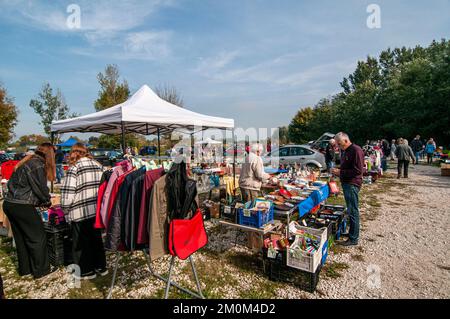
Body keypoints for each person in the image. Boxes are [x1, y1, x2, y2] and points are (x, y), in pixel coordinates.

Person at [2, 143, 55, 279]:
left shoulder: (26, 161)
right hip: (22, 205)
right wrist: (47, 201)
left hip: (10, 203)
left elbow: (11, 184)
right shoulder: (37, 164)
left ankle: (25, 269)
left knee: (21, 239)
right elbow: (40, 188)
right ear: (49, 154)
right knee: (37, 237)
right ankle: (41, 271)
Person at [60, 143, 107, 280]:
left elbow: (68, 194)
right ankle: (101, 266)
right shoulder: (98, 165)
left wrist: (65, 209)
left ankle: (86, 271)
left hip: (79, 211)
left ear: (74, 153)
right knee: (96, 240)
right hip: (96, 210)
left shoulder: (74, 168)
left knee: (81, 244)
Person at [331, 132, 364, 247]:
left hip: (352, 184)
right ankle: (351, 233)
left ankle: (353, 238)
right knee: (350, 210)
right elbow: (348, 167)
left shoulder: (356, 150)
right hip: (347, 183)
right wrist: (339, 171)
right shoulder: (346, 150)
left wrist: (340, 172)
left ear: (345, 140)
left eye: (339, 144)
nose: (339, 147)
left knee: (353, 210)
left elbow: (358, 171)